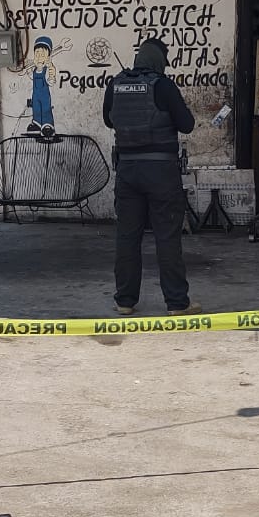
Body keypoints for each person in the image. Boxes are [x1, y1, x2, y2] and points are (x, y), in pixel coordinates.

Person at [103, 37, 198, 316]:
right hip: (160, 172)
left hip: (128, 171)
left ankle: (125, 301)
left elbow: (109, 120)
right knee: (167, 237)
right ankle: (177, 304)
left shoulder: (115, 84)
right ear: (159, 61)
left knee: (127, 237)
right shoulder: (163, 85)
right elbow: (187, 125)